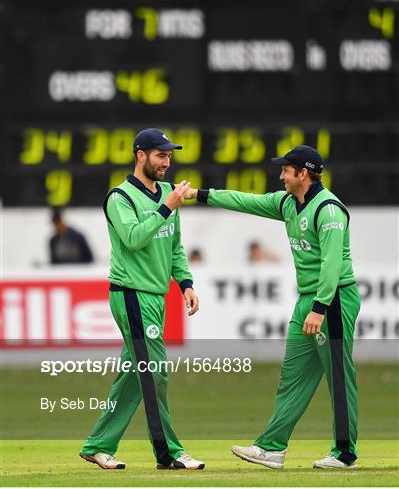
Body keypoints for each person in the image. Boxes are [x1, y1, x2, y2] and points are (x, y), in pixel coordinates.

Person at [185, 145, 360, 470]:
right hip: (308, 299)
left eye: (285, 170)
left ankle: (345, 453)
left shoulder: (329, 211)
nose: (280, 176)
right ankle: (272, 448)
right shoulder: (288, 204)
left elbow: (332, 265)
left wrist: (319, 308)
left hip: (333, 299)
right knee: (291, 377)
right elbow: (245, 201)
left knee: (338, 375)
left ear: (302, 174)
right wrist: (199, 194)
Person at [79, 128, 204, 471]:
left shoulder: (167, 193)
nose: (167, 162)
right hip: (131, 295)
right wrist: (167, 207)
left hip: (155, 296)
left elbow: (174, 246)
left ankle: (98, 445)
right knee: (155, 371)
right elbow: (134, 238)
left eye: (169, 156)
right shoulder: (119, 198)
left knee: (136, 373)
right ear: (140, 155)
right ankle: (170, 454)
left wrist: (186, 283)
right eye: (161, 155)